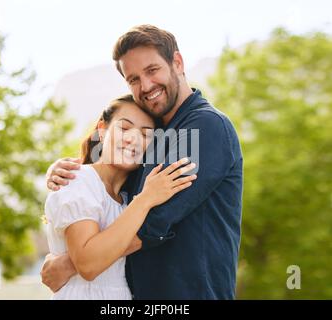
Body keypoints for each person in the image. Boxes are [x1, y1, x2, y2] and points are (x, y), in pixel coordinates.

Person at [42, 25, 243, 299]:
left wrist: (72, 262)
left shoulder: (204, 126)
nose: (145, 86)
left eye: (152, 70)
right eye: (133, 79)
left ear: (178, 63)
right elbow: (117, 189)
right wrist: (69, 170)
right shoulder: (157, 133)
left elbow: (155, 219)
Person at [44, 94, 196, 299]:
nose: (133, 138)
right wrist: (146, 198)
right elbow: (88, 265)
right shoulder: (79, 180)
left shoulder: (125, 197)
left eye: (146, 134)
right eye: (124, 128)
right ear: (102, 129)